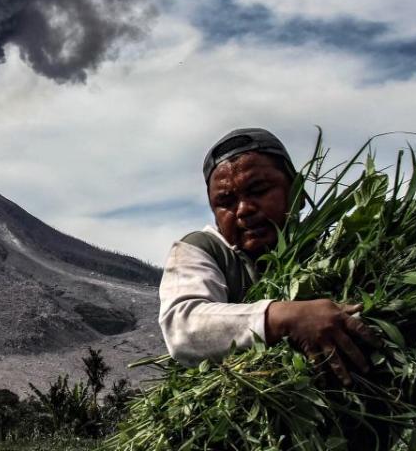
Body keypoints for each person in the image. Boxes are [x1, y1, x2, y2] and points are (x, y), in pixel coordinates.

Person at [158, 128, 379, 385]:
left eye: (258, 190)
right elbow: (182, 327)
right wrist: (287, 318)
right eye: (226, 201)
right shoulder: (201, 249)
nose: (243, 209)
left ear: (297, 191)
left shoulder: (335, 252)